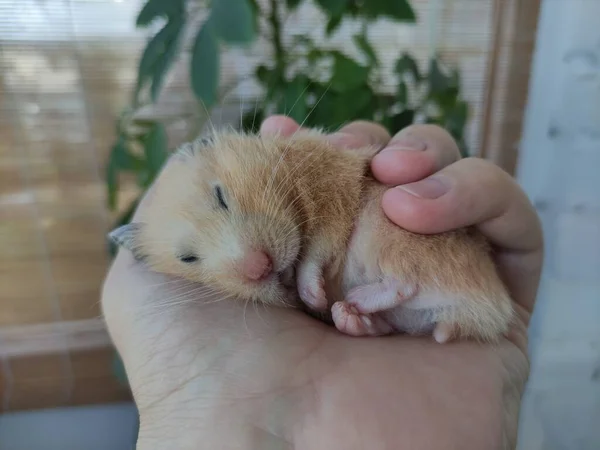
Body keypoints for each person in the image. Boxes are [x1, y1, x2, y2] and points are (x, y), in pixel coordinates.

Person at [101, 115, 543, 449]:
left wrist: (314, 263)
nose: (249, 262)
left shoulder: (300, 157)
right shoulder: (223, 323)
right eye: (191, 257)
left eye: (222, 199)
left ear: (225, 145)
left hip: (443, 292)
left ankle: (414, 289)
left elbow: (343, 193)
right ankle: (406, 304)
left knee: (383, 212)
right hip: (416, 321)